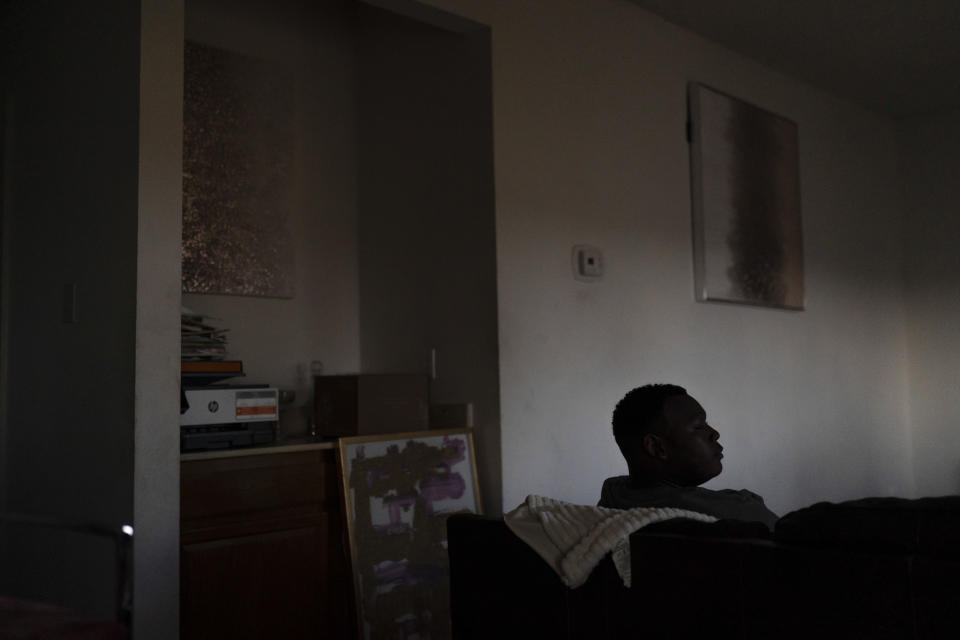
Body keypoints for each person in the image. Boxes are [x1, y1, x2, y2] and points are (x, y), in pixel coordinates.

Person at [599, 383, 778, 529]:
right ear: (656, 447)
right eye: (698, 426)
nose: (714, 433)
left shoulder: (609, 503)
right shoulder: (742, 515)